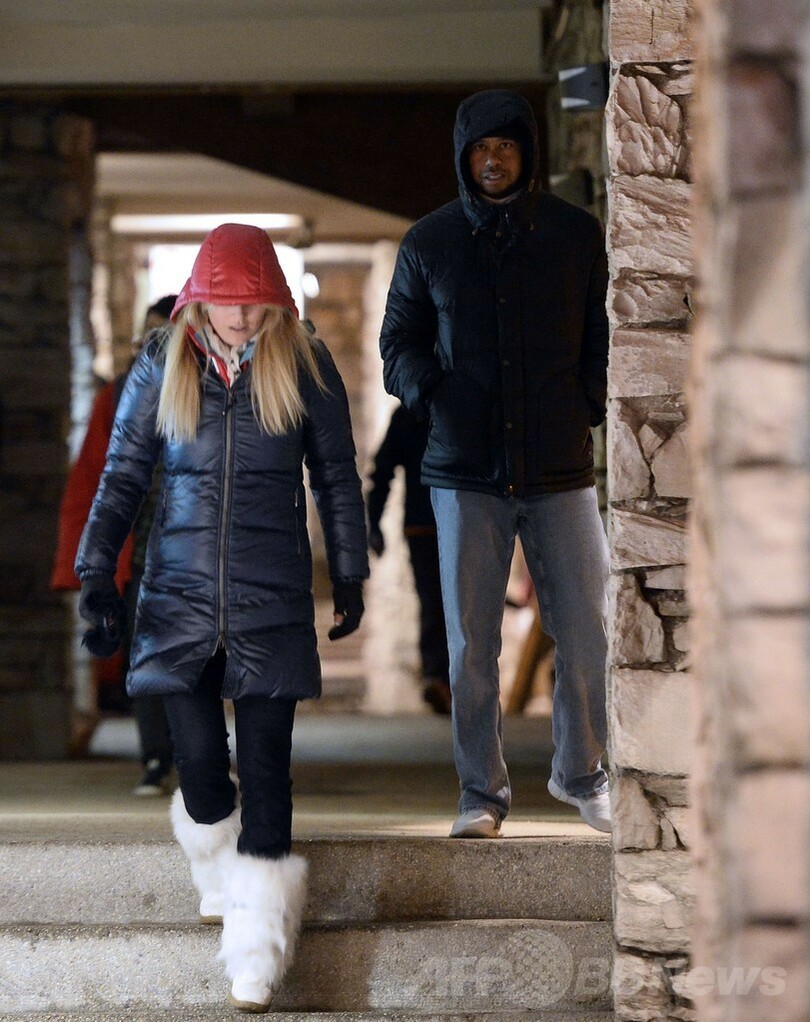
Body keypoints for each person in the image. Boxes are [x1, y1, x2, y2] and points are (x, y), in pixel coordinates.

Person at [75, 223, 369, 1012]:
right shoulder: (161, 363)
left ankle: (258, 949)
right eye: (225, 302)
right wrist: (96, 571)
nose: (239, 317)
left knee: (267, 771)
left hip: (271, 595)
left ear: (274, 300)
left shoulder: (304, 364)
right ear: (199, 299)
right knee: (202, 769)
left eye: (252, 302)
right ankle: (214, 859)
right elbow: (122, 473)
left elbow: (336, 476)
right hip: (178, 597)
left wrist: (349, 569)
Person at [379, 89, 611, 836]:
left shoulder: (575, 235)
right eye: (480, 147)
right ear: (463, 156)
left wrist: (587, 401)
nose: (493, 159)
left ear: (526, 152)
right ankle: (480, 795)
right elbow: (397, 345)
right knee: (470, 645)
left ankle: (583, 774)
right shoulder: (429, 242)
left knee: (586, 630)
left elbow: (603, 333)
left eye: (506, 145)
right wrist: (434, 394)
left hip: (559, 468)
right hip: (463, 472)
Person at [52, 296, 178, 792]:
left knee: (193, 653)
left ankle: (195, 753)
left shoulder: (212, 391)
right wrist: (91, 558)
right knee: (143, 651)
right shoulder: (122, 393)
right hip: (141, 550)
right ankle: (157, 755)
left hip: (192, 547)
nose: (152, 345)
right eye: (148, 335)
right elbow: (97, 477)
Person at [366, 404, 451, 713]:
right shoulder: (427, 411)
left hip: (427, 523)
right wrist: (374, 523)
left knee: (434, 601)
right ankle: (442, 677)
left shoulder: (409, 414)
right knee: (446, 601)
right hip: (446, 522)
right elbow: (383, 469)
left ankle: (441, 675)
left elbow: (382, 470)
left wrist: (375, 522)